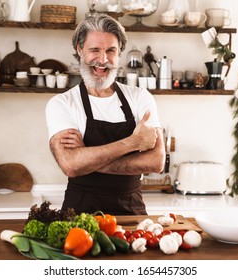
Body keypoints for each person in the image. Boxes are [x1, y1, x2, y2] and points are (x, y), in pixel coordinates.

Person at [45, 14, 165, 215]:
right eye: (94, 50)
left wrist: (88, 159)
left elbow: (156, 162)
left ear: (119, 54)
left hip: (131, 213)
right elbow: (71, 165)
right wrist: (133, 143)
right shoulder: (62, 103)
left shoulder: (140, 97)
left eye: (111, 51)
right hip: (79, 215)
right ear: (80, 50)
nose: (103, 60)